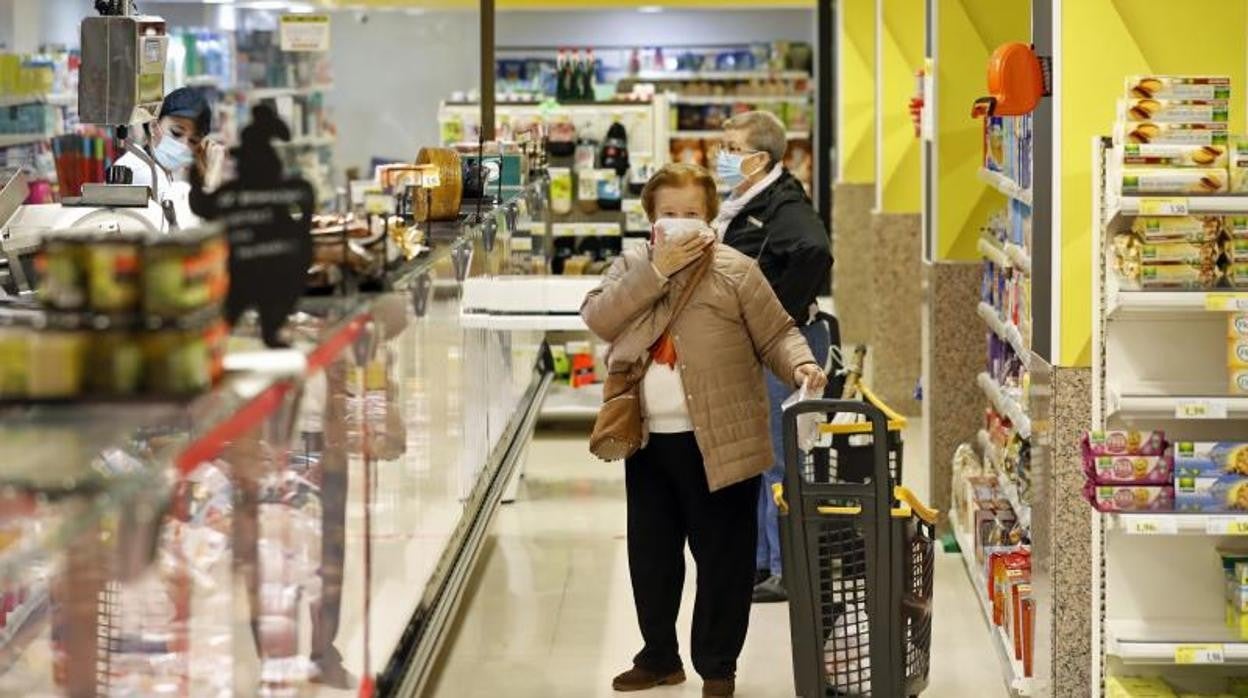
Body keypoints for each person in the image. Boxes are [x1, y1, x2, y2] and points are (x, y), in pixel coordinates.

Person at [581, 163, 827, 698]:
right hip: (647, 441)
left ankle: (717, 667)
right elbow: (599, 318)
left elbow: (778, 333)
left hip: (724, 440)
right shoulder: (632, 265)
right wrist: (656, 272)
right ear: (650, 219)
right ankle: (659, 657)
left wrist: (803, 366)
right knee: (652, 557)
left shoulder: (735, 270)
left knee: (723, 560)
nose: (680, 223)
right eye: (669, 214)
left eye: (691, 214)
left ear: (710, 217)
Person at [713, 111, 834, 604]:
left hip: (788, 349)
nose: (722, 155)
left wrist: (772, 318)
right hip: (763, 348)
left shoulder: (782, 204)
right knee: (764, 459)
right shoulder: (747, 200)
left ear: (759, 159)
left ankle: (787, 569)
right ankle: (763, 562)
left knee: (784, 462)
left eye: (731, 147)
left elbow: (814, 251)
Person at [114, 86, 226, 231]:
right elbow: (188, 236)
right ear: (154, 126)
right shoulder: (140, 171)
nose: (183, 145)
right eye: (176, 133)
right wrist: (211, 182)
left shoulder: (162, 170)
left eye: (193, 141)